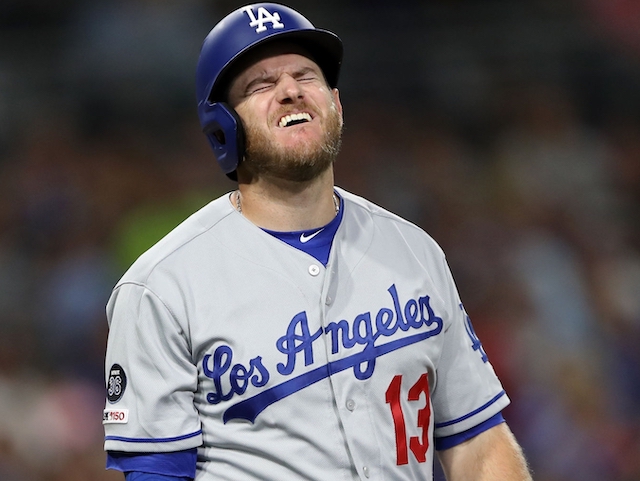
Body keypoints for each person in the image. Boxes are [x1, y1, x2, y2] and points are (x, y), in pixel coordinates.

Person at [102, 3, 533, 480]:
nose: (289, 91)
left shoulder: (415, 252)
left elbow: (478, 443)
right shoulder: (160, 288)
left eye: (306, 76)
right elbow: (157, 472)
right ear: (222, 127)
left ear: (335, 103)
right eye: (261, 85)